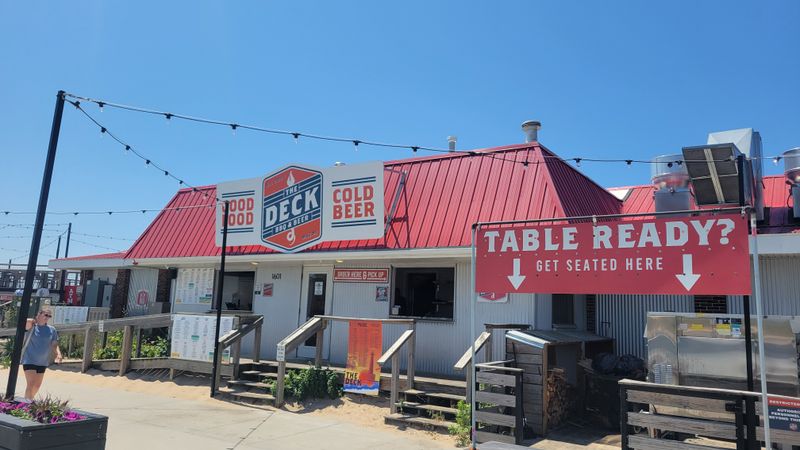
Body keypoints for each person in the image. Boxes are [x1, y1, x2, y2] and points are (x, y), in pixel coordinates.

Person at [21, 309, 62, 400]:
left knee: (37, 386)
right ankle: (26, 404)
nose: (47, 318)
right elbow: (23, 321)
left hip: (42, 362)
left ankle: (29, 400)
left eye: (49, 316)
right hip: (29, 360)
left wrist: (58, 354)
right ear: (39, 314)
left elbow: (54, 344)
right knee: (31, 383)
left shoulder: (52, 329)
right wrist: (33, 320)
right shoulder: (32, 326)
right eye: (46, 315)